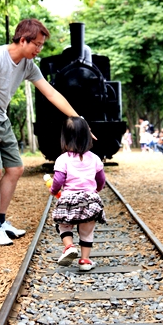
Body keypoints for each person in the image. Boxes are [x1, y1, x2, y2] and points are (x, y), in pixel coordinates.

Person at [0, 18, 82, 247]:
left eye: (41, 45)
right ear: (23, 40)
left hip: (0, 117)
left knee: (16, 169)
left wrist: (79, 120)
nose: (39, 49)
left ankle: (2, 221)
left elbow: (51, 94)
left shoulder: (28, 65)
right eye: (36, 44)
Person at [50, 116, 106, 271]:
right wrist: (97, 191)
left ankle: (69, 246)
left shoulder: (63, 159)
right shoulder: (94, 158)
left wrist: (54, 190)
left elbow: (59, 179)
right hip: (89, 200)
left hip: (69, 200)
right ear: (87, 137)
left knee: (64, 225)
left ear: (65, 138)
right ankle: (85, 260)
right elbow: (101, 179)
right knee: (87, 231)